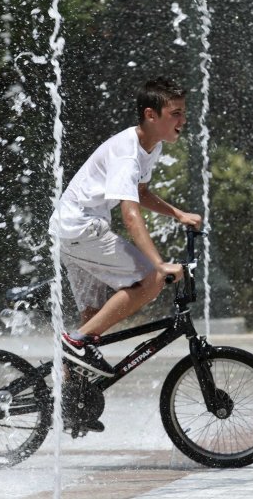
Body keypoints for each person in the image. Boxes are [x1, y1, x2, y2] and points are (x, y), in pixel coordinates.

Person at [49, 77, 202, 380]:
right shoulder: (128, 153)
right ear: (150, 114)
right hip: (81, 229)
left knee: (93, 317)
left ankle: (73, 397)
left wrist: (178, 214)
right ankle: (74, 344)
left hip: (71, 231)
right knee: (150, 280)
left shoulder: (150, 146)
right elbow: (130, 214)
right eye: (176, 113)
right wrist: (158, 266)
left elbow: (141, 193)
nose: (183, 120)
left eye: (184, 112)